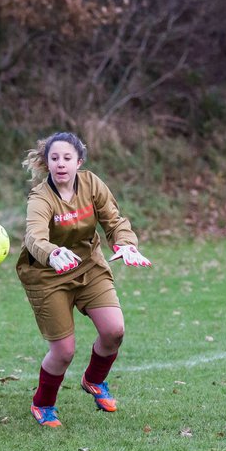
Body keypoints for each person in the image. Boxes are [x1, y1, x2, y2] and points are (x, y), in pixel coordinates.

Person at [16, 131, 151, 427]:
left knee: (114, 330)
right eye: (54, 158)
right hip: (46, 275)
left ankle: (94, 380)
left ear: (79, 161)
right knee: (63, 352)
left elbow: (114, 221)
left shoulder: (91, 184)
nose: (60, 164)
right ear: (47, 163)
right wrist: (52, 253)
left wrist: (126, 243)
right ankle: (43, 403)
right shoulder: (41, 197)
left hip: (89, 267)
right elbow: (34, 236)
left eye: (67, 158)